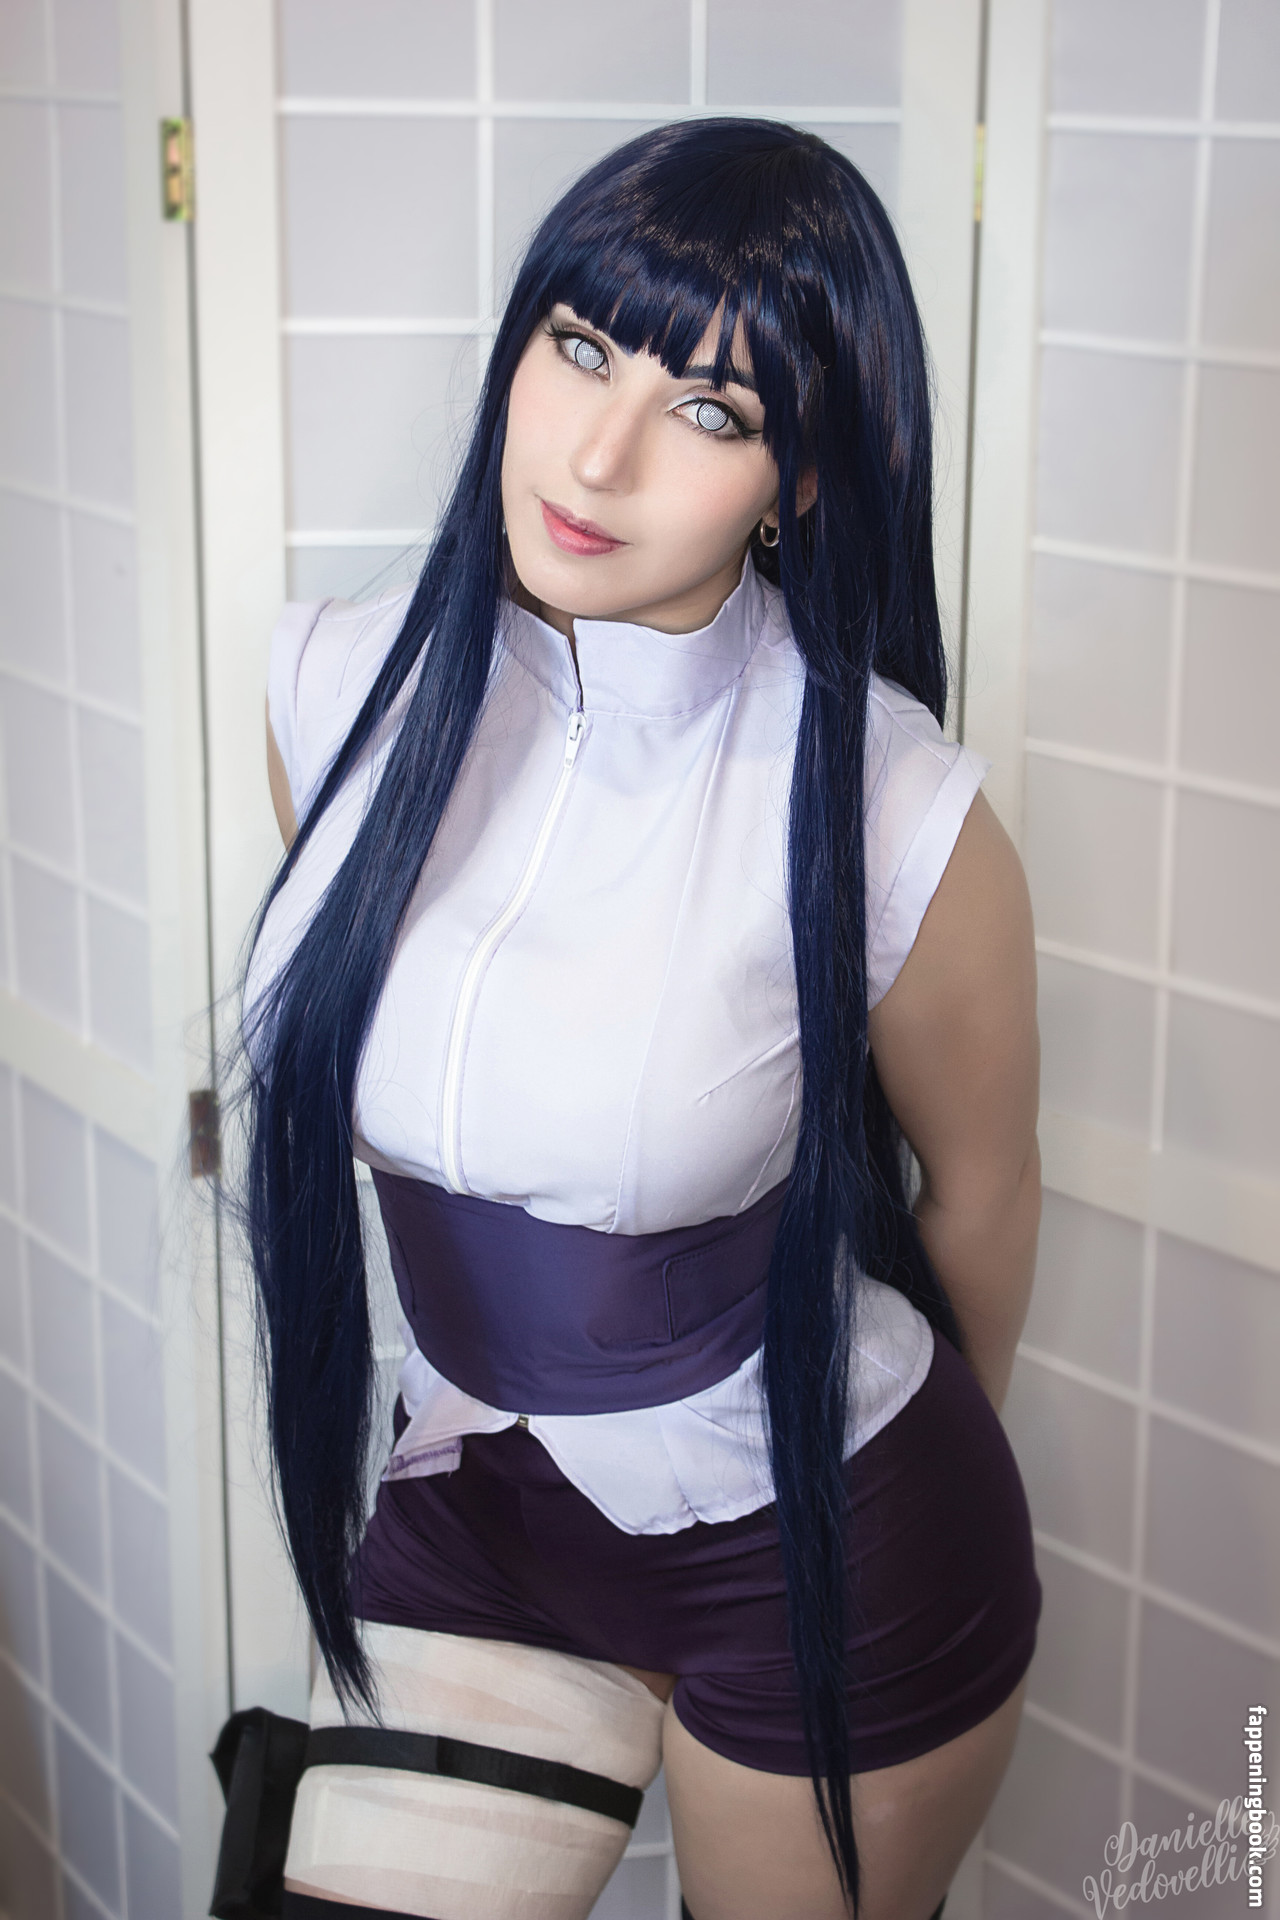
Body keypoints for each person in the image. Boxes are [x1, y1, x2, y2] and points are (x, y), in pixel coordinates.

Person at [239, 118, 1042, 1920]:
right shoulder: (331, 687)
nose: (598, 456)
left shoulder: (892, 806)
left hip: (831, 1542)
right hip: (476, 1505)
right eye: (582, 347)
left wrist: (874, 1509)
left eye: (709, 410)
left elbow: (984, 1191)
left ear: (799, 481)